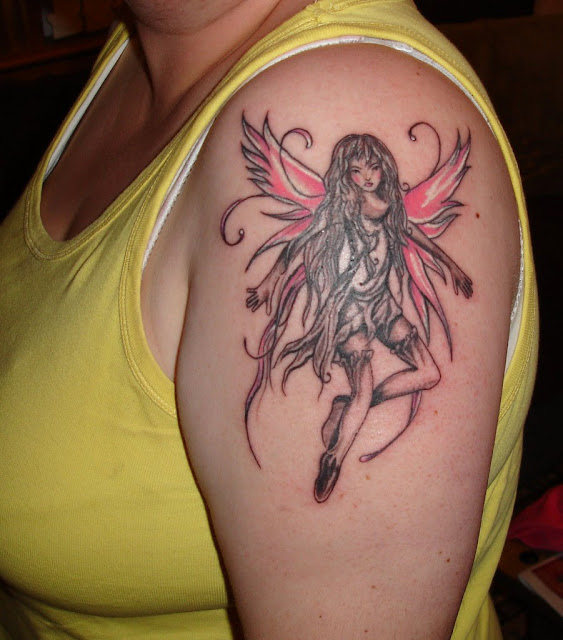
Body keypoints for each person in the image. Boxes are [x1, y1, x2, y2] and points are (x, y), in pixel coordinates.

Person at [0, 1, 538, 639]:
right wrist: (268, 291)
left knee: (420, 373)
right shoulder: (138, 49)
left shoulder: (340, 99)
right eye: (360, 169)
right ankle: (336, 447)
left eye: (375, 168)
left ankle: (348, 414)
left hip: (379, 308)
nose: (371, 177)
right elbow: (301, 247)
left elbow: (415, 240)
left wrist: (449, 273)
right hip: (351, 316)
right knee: (367, 383)